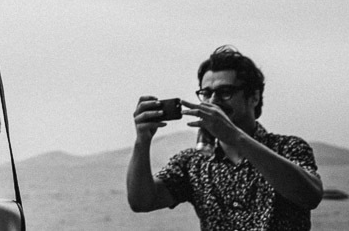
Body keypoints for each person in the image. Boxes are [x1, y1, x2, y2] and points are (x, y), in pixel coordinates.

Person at [126, 45, 324, 230]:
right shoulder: (193, 162)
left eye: (225, 92)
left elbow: (310, 196)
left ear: (254, 97)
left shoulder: (288, 147)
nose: (213, 102)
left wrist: (235, 137)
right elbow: (142, 201)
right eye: (206, 93)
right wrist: (142, 141)